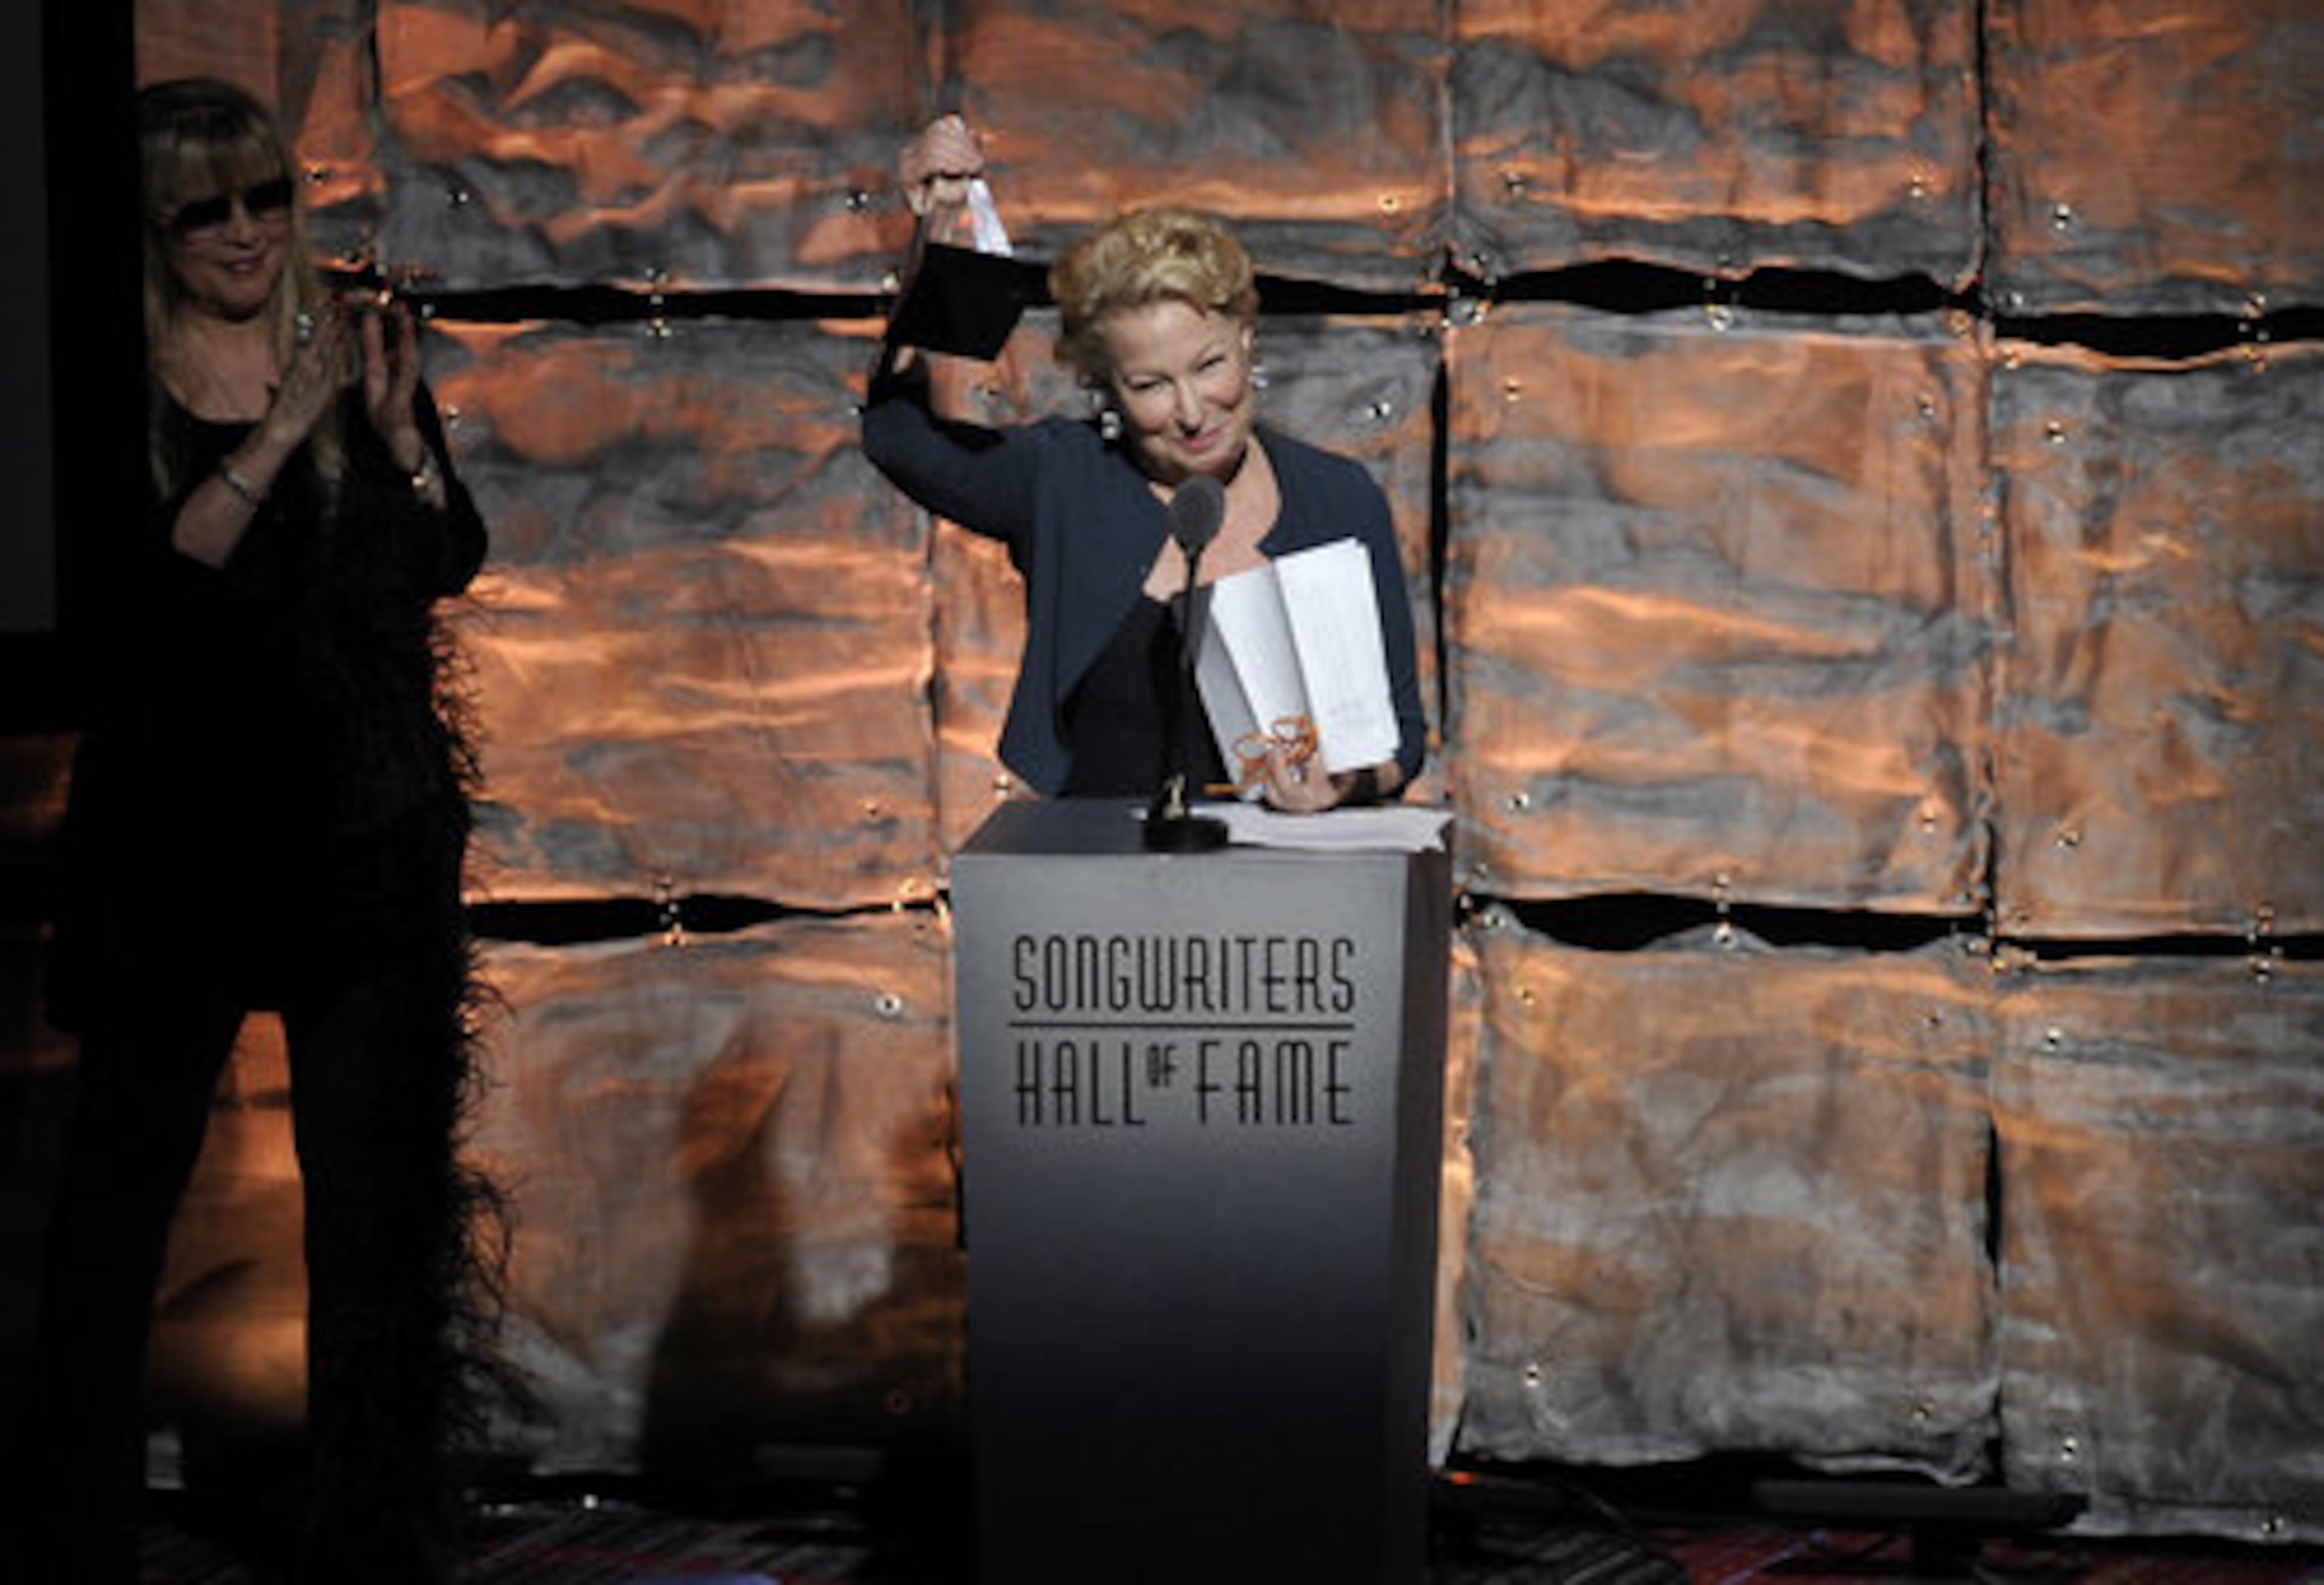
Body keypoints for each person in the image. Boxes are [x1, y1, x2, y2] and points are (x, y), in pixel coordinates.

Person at [18, 77, 511, 1584]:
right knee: (119, 1202)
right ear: (152, 233)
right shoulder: (103, 376)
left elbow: (448, 558)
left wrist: (391, 442)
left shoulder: (345, 346)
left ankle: (370, 1531)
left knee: (377, 1217)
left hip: (359, 845)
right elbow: (144, 606)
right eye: (204, 209)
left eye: (266, 200)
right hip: (180, 851)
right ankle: (63, 1531)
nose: (245, 234)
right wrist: (276, 437)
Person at [862, 115, 1428, 810]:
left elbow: (1402, 739)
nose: (1191, 410)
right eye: (1151, 385)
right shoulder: (1061, 479)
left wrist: (1341, 789)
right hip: (1104, 891)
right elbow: (898, 437)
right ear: (1105, 384)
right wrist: (941, 241)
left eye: (1210, 365)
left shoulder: (1338, 498)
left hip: (1290, 898)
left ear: (1248, 341)